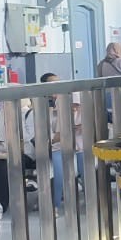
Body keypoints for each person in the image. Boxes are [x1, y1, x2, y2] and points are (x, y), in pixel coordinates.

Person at [42, 72, 84, 212]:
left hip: (78, 143)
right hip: (57, 144)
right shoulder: (44, 105)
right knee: (59, 173)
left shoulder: (70, 97)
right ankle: (55, 205)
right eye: (52, 83)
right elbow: (52, 134)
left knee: (85, 169)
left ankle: (90, 201)